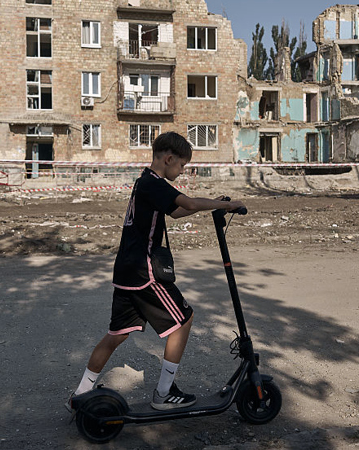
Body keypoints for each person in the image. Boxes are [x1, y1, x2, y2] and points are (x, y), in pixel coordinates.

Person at [68, 131, 245, 411]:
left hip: (126, 271)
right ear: (169, 158)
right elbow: (187, 203)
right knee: (184, 320)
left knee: (118, 334)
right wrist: (225, 204)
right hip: (144, 271)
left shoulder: (145, 183)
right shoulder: (154, 182)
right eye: (182, 165)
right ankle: (164, 394)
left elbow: (176, 211)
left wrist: (210, 205)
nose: (183, 170)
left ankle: (80, 394)